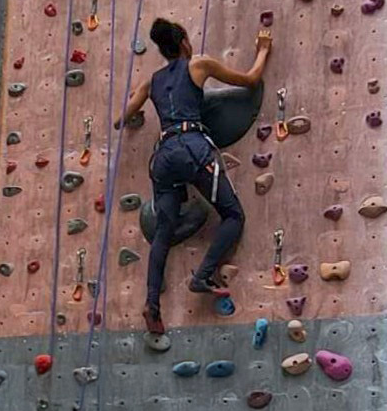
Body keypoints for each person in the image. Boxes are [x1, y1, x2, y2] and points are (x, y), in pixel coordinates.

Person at [114, 18, 272, 334]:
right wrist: (263, 51)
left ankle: (152, 305)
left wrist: (136, 109)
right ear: (184, 42)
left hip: (163, 157)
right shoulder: (198, 64)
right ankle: (203, 275)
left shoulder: (151, 82)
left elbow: (121, 119)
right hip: (192, 147)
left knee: (164, 231)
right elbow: (250, 80)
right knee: (233, 215)